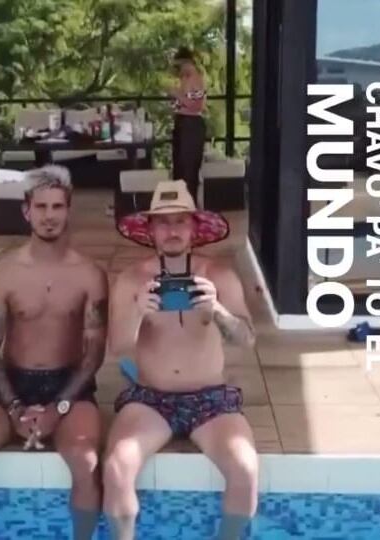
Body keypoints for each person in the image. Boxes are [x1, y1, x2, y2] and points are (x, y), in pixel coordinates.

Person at [0, 165, 108, 540]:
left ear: (68, 210)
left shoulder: (90, 275)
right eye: (41, 207)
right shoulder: (3, 273)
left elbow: (94, 353)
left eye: (57, 206)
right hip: (11, 383)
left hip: (69, 384)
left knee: (85, 461)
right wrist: (14, 406)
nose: (49, 216)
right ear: (26, 211)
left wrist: (58, 408)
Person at [103, 180, 258, 540]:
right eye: (163, 222)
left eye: (180, 221)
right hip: (151, 399)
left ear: (194, 227)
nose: (172, 230)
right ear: (150, 230)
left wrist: (218, 310)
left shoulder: (219, 276)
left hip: (211, 399)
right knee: (116, 467)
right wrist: (137, 312)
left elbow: (248, 339)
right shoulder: (131, 280)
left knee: (245, 469)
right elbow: (118, 347)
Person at [168, 47, 207, 205]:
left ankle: (190, 206)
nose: (179, 70)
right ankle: (179, 205)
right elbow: (182, 103)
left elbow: (198, 106)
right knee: (179, 168)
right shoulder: (184, 79)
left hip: (192, 124)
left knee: (188, 169)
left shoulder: (196, 78)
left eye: (180, 66)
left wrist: (177, 94)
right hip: (182, 121)